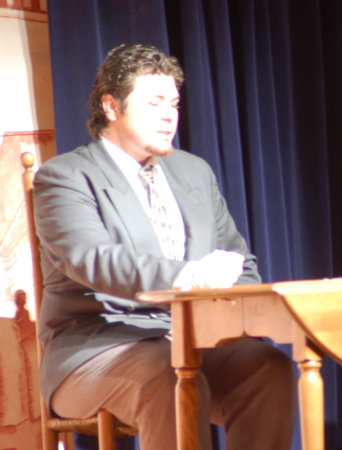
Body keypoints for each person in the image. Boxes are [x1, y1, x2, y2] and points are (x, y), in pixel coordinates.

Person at [33, 43, 295, 450]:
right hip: (97, 346)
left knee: (266, 366)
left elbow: (238, 261)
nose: (169, 115)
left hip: (191, 340)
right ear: (111, 107)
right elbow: (90, 258)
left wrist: (231, 310)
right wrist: (188, 277)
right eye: (154, 103)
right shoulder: (66, 175)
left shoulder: (194, 171)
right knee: (172, 377)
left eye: (173, 103)